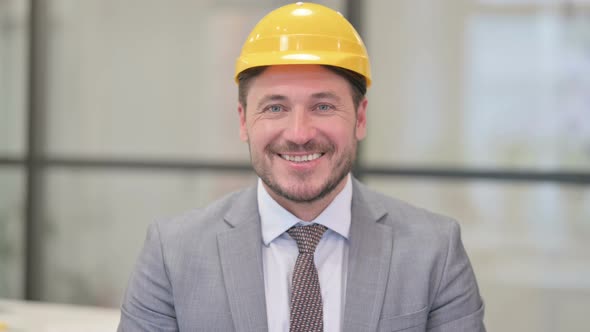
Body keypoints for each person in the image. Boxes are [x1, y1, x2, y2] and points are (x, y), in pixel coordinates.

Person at [118, 2, 485, 331]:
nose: (299, 134)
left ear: (359, 118)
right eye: (275, 107)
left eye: (323, 106)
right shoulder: (172, 253)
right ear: (244, 121)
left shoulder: (434, 250)